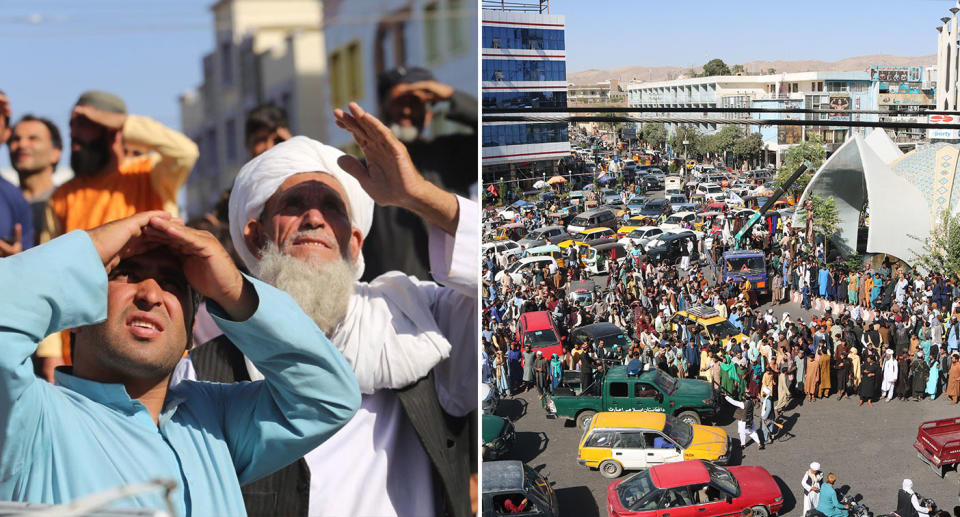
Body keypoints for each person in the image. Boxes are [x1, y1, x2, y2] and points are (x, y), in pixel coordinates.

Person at [176, 103, 477, 517]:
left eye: (332, 207)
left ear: (355, 242)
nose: (314, 218)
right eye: (294, 203)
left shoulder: (418, 320)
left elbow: (491, 276)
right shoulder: (207, 372)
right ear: (255, 235)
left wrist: (417, 196)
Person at [0, 211, 361, 514]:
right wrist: (90, 248)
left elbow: (327, 397)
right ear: (76, 312)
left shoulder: (211, 422)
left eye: (172, 283)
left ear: (190, 333)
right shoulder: (29, 418)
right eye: (127, 273)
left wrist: (234, 290)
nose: (152, 294)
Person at [39, 90, 199, 369]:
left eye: (85, 127)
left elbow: (186, 151)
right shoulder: (62, 196)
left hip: (156, 339)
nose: (73, 139)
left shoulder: (149, 174)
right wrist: (50, 351)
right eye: (72, 129)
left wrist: (123, 123)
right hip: (83, 353)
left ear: (112, 132)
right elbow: (51, 276)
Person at [362, 66, 477, 281]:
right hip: (388, 296)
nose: (406, 111)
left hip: (451, 293)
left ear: (429, 113)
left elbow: (493, 133)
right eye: (399, 103)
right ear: (383, 108)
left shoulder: (451, 156)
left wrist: (451, 96)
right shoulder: (363, 169)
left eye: (414, 103)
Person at [8, 114, 62, 245]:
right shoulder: (5, 202)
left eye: (33, 138)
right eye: (16, 139)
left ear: (55, 153)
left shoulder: (66, 201)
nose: (22, 144)